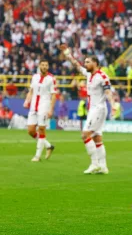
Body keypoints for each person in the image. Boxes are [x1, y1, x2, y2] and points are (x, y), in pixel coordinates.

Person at [61, 45, 115, 174]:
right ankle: (103, 166)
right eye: (85, 62)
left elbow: (108, 92)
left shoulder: (102, 76)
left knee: (85, 134)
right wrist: (68, 54)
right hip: (93, 109)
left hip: (99, 109)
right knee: (97, 138)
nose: (85, 64)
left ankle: (94, 163)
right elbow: (76, 65)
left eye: (88, 62)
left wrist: (113, 105)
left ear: (95, 63)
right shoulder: (88, 74)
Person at [23, 59, 56, 162]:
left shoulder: (51, 79)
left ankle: (37, 156)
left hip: (44, 106)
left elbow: (54, 95)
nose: (44, 67)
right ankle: (49, 146)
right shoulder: (35, 77)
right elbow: (31, 91)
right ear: (39, 66)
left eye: (46, 65)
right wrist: (26, 101)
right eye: (43, 65)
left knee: (41, 129)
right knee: (31, 131)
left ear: (48, 66)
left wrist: (51, 109)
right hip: (33, 106)